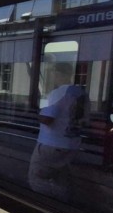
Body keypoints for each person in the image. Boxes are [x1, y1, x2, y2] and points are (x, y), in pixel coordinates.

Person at [28, 62, 90, 203]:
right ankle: (64, 205)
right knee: (61, 179)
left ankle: (48, 205)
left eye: (54, 73)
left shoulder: (59, 93)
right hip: (72, 144)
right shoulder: (82, 94)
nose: (52, 76)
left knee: (36, 178)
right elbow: (85, 121)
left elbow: (48, 119)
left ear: (60, 74)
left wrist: (38, 115)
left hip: (51, 144)